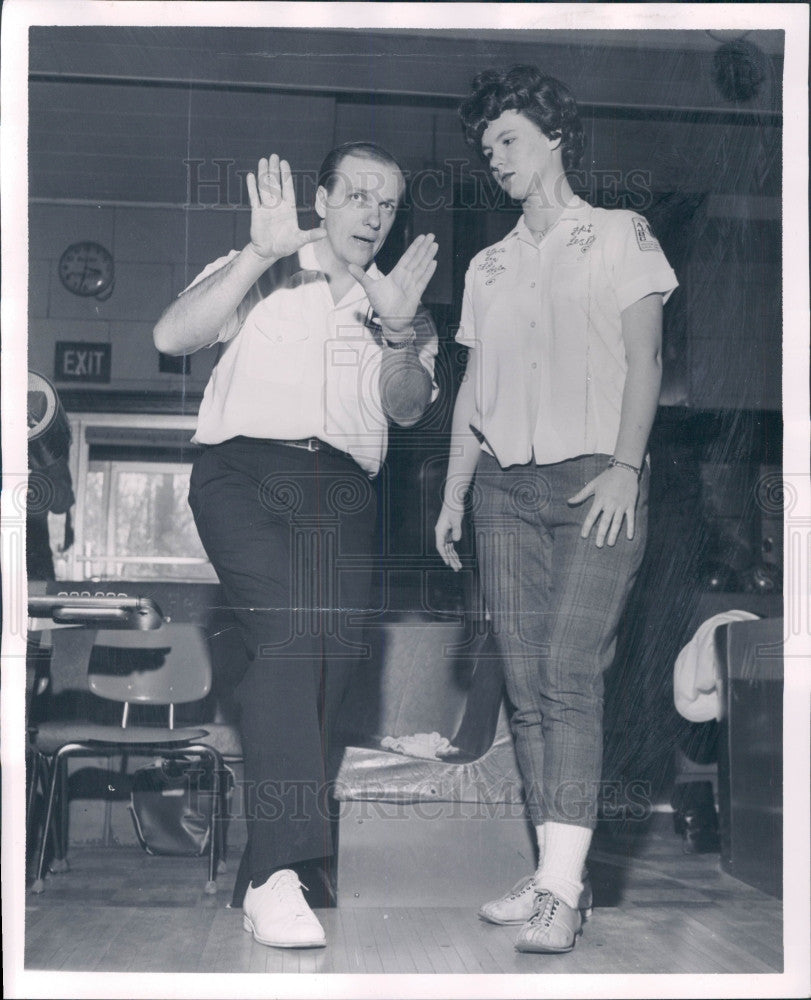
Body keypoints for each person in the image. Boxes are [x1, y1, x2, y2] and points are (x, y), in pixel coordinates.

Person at [154, 142, 438, 949]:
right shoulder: (269, 262)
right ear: (321, 200)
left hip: (344, 490)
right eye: (356, 196)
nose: (372, 216)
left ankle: (262, 872)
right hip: (242, 473)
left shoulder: (401, 303)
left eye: (387, 204)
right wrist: (255, 253)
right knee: (287, 634)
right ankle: (283, 876)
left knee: (324, 664)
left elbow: (412, 407)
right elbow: (173, 335)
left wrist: (397, 332)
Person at [435, 66, 678, 954]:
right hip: (504, 486)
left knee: (569, 671)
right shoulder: (486, 263)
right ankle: (550, 876)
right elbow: (471, 386)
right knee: (529, 690)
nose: (493, 157)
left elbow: (644, 359)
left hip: (595, 483)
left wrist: (625, 465)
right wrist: (455, 490)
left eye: (507, 140)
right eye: (485, 146)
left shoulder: (620, 234)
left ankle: (563, 893)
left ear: (553, 138)